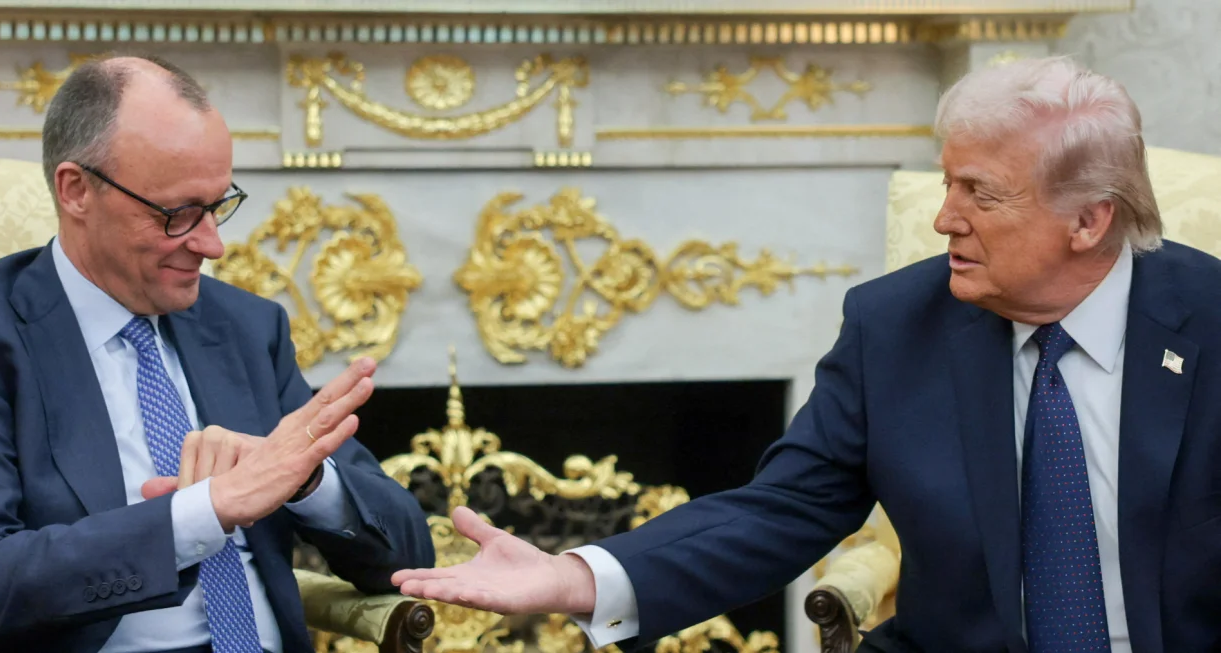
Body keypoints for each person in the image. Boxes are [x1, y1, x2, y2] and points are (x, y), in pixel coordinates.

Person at [390, 55, 1221, 653]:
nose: (943, 219)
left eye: (981, 194)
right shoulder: (896, 326)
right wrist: (578, 576)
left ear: (1089, 220)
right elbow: (779, 510)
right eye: (945, 184)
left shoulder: (1210, 325)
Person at [0, 55, 435, 653]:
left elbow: (410, 557)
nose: (213, 244)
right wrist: (205, 512)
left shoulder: (248, 327)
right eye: (177, 214)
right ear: (76, 191)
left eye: (219, 204)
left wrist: (302, 480)